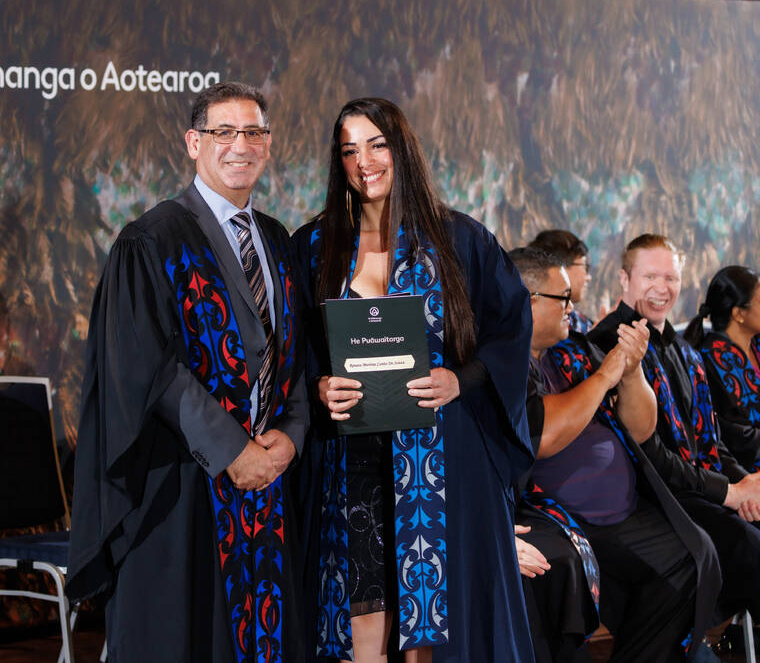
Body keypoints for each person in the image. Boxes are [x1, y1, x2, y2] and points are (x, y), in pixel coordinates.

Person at [65, 82, 309, 663]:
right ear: (193, 142)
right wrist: (233, 451)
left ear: (269, 145)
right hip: (183, 483)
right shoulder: (150, 240)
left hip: (269, 488)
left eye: (253, 132)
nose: (239, 146)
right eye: (223, 132)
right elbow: (150, 369)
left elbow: (300, 354)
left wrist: (290, 438)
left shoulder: (277, 240)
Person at [293, 97, 535, 663]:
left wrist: (462, 378)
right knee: (360, 614)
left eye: (377, 144)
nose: (364, 161)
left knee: (436, 622)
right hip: (347, 460)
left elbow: (512, 329)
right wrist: (318, 386)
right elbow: (293, 348)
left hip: (439, 457)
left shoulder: (459, 240)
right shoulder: (314, 245)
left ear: (401, 149)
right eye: (349, 150)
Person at [510, 246, 719, 662]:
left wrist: (632, 370)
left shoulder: (571, 350)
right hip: (564, 515)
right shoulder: (506, 362)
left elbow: (640, 429)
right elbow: (545, 433)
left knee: (694, 556)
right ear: (527, 301)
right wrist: (609, 372)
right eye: (563, 298)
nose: (574, 306)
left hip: (623, 509)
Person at [588, 234, 760, 624]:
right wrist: (730, 493)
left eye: (671, 278)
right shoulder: (607, 345)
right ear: (624, 279)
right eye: (651, 277)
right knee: (748, 545)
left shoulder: (683, 349)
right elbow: (647, 456)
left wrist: (747, 485)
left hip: (697, 485)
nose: (662, 288)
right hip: (651, 498)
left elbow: (711, 442)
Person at [685, 266, 760, 472]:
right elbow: (736, 438)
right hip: (743, 471)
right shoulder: (710, 360)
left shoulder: (756, 345)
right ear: (739, 314)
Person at [528, 229, 595, 333]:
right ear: (560, 268)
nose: (588, 277)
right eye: (585, 267)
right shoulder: (538, 325)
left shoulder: (580, 322)